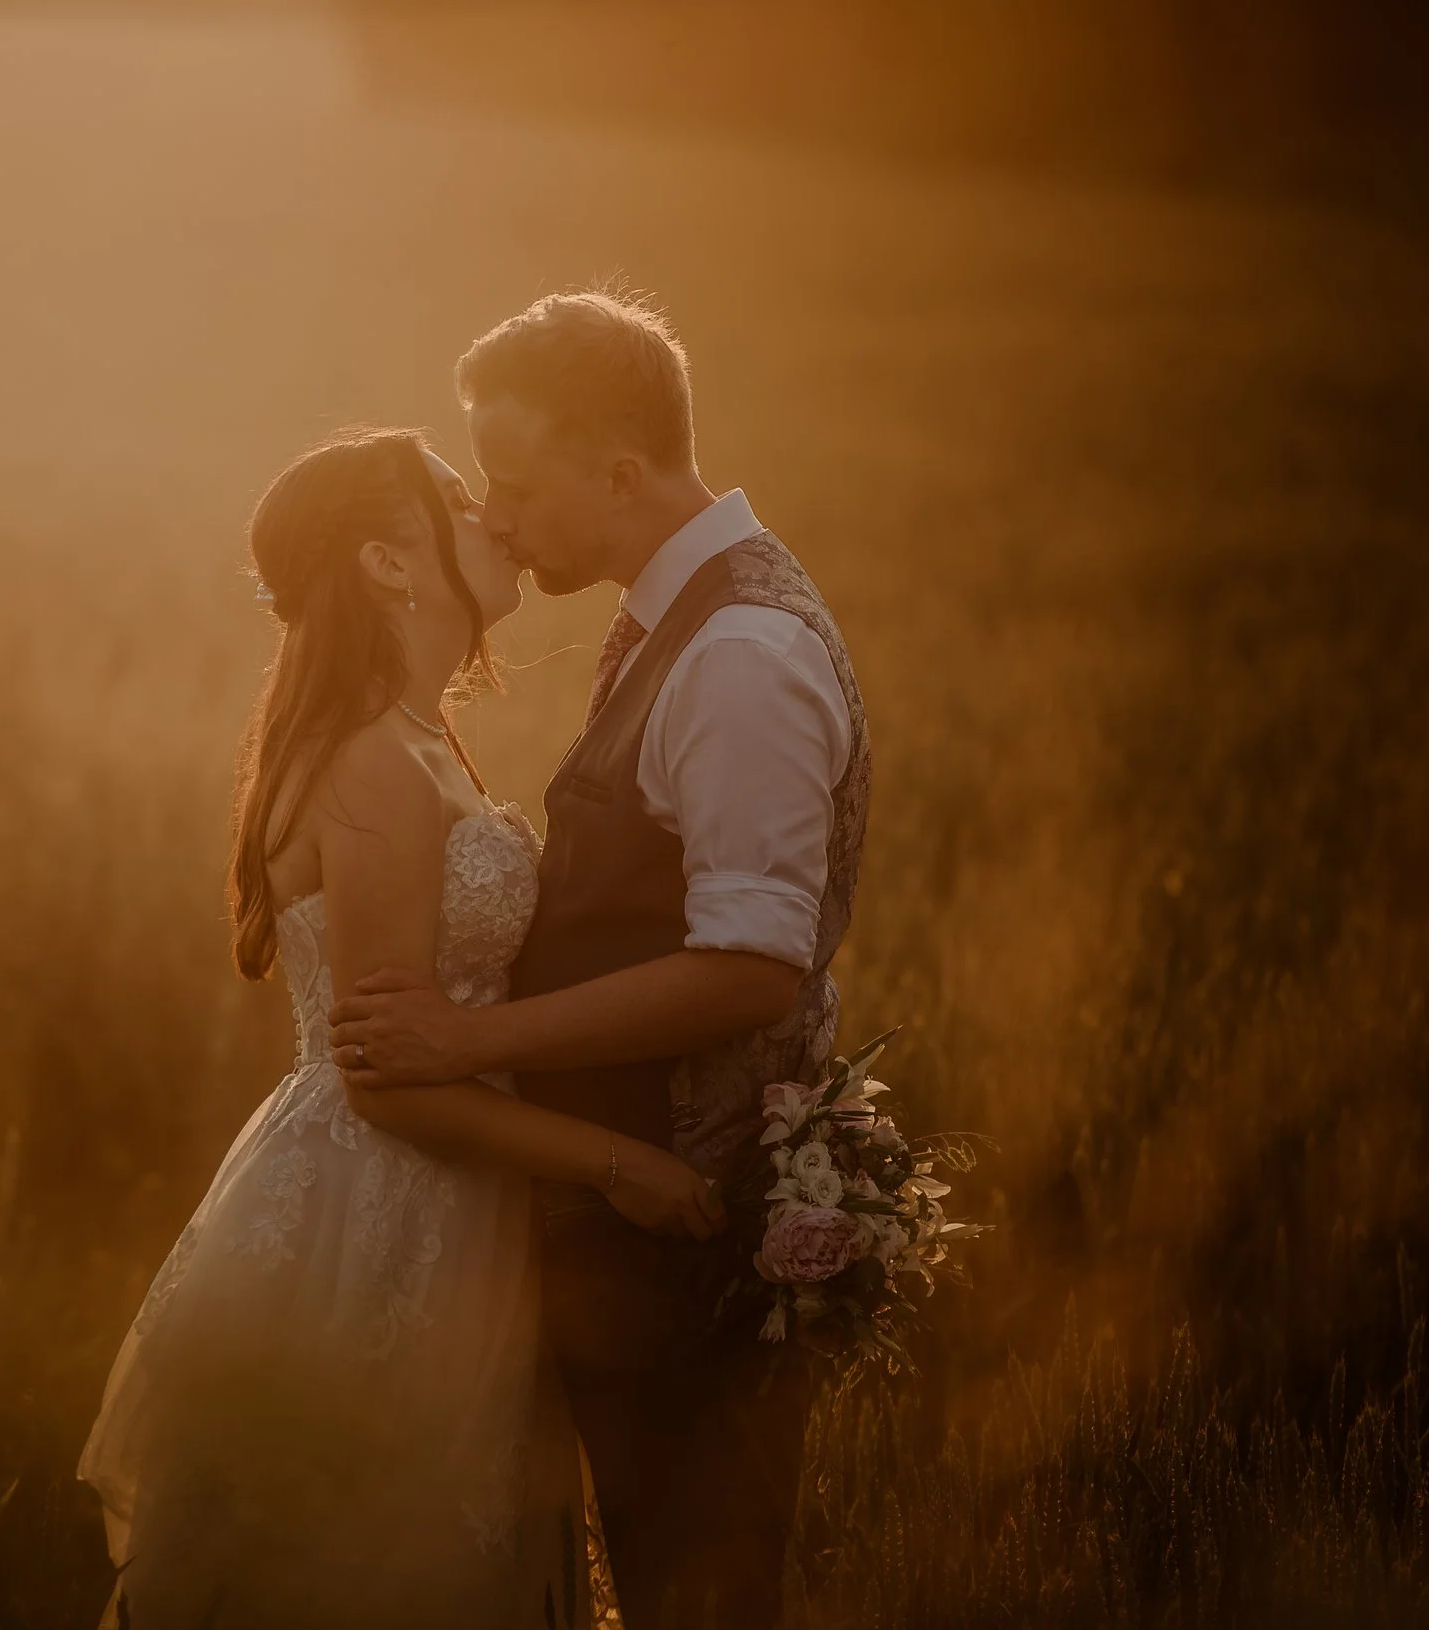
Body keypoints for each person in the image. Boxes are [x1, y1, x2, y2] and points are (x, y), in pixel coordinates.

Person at [76, 426, 721, 1630]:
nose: (495, 518)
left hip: (462, 1194)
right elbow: (385, 1077)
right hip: (383, 1202)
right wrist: (620, 1164)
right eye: (461, 501)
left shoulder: (421, 737)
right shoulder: (371, 759)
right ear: (388, 563)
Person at [332, 289, 872, 1628]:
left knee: (701, 1592)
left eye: (514, 486)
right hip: (634, 1203)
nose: (493, 519)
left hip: (685, 1211)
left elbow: (755, 968)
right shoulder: (676, 613)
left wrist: (469, 1043)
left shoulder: (741, 653)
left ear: (621, 472)